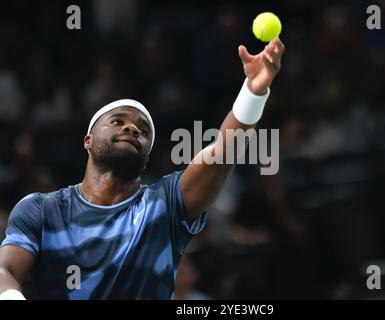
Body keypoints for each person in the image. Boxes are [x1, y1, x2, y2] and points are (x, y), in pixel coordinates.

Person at [0, 38, 285, 299]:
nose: (131, 128)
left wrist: (253, 92)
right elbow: (6, 272)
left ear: (146, 157)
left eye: (142, 130)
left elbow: (223, 154)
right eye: (117, 121)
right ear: (88, 140)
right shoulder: (40, 210)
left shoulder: (165, 206)